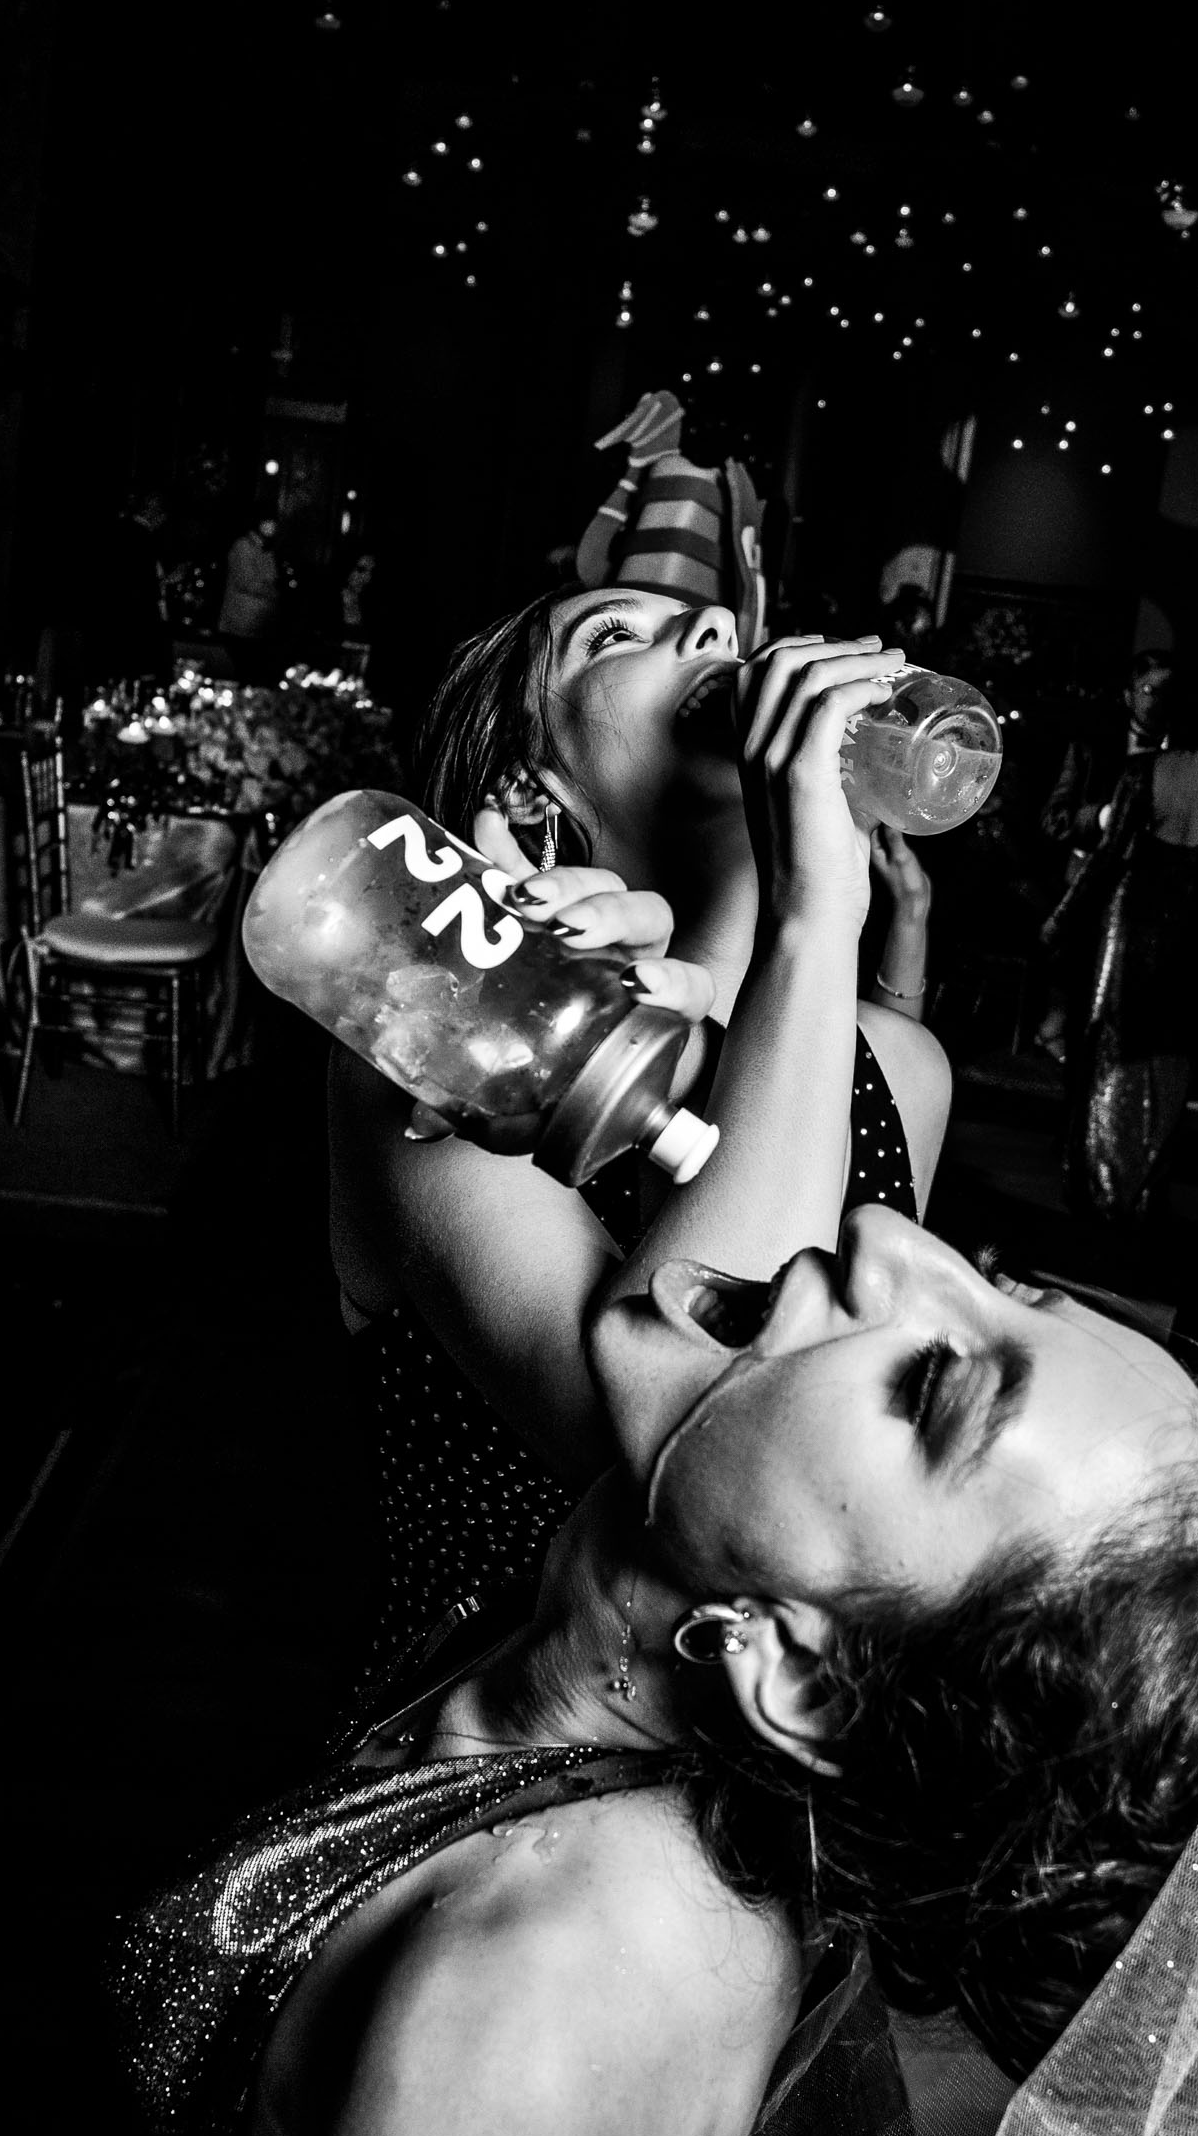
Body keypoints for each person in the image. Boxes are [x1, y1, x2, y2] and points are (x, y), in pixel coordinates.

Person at [123, 1206, 1198, 2136]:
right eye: (1005, 1284)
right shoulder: (571, 1689)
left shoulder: (556, 1994)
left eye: (934, 1385)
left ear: (807, 1678)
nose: (889, 1235)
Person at [325, 427, 951, 1704]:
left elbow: (847, 1490)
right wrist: (813, 915)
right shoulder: (447, 1036)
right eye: (615, 635)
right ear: (532, 788)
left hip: (786, 1752)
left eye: (711, 623)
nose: (713, 630)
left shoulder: (902, 1070)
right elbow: (682, 1443)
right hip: (510, 1754)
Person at [1040, 661, 1198, 1225]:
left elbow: (1108, 859)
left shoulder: (1142, 771)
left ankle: (1098, 1184)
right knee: (1172, 1058)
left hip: (1129, 923)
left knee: (1109, 1052)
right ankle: (1146, 1190)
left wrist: (1060, 920)